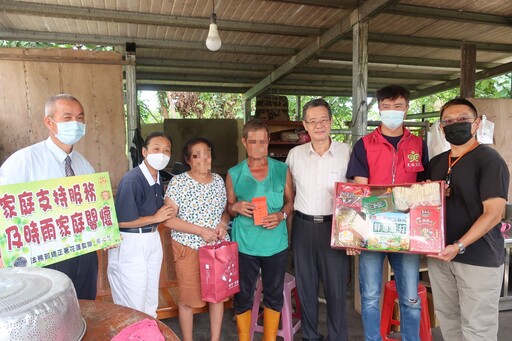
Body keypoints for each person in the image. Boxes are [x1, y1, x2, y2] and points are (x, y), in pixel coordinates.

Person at [346, 85, 429, 341]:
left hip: (406, 233)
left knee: (411, 298)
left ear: (407, 108)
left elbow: (423, 187)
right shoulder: (365, 144)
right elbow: (360, 190)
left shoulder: (418, 144)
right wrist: (354, 234)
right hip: (373, 232)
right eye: (386, 106)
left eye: (398, 106)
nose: (392, 111)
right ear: (379, 108)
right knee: (370, 296)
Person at [0, 94, 98, 299]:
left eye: (80, 118)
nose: (76, 123)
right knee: (50, 311)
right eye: (68, 118)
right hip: (44, 255)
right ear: (49, 122)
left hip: (84, 252)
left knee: (85, 306)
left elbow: (94, 208)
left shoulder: (84, 165)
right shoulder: (24, 161)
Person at [427, 98, 509, 341]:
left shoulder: (489, 160)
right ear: (441, 128)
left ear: (476, 124)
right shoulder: (437, 163)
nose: (455, 125)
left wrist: (459, 245)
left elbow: (494, 213)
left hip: (478, 258)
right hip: (441, 256)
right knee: (449, 321)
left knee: (477, 328)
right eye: (448, 121)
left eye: (463, 119)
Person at [286, 98, 351, 341]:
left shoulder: (347, 152)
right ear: (305, 125)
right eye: (312, 121)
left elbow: (357, 191)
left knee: (336, 289)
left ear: (331, 121)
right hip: (303, 227)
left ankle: (338, 337)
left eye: (323, 119)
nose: (318, 125)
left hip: (335, 227)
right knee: (306, 288)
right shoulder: (295, 155)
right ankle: (310, 336)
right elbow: (288, 195)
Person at [226, 119, 294, 341]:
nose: (258, 146)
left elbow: (290, 203)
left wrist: (281, 215)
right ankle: (245, 337)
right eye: (253, 141)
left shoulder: (281, 169)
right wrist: (235, 207)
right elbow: (229, 208)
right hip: (245, 243)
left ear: (268, 142)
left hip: (275, 244)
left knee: (273, 294)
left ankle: (270, 338)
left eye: (263, 142)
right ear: (244, 142)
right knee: (243, 294)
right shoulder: (234, 173)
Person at [164, 137, 231, 341]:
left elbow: (225, 212)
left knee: (217, 297)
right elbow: (169, 220)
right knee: (187, 300)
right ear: (188, 160)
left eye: (207, 153)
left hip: (217, 248)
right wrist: (200, 231)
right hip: (188, 247)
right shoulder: (179, 182)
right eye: (197, 155)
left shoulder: (219, 180)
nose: (204, 159)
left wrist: (222, 224)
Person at [107, 131, 175, 317]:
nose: (162, 154)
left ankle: (147, 333)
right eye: (156, 149)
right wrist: (156, 218)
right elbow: (121, 220)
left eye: (167, 150)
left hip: (151, 238)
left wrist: (165, 213)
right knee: (133, 302)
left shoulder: (158, 177)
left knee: (150, 299)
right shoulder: (132, 180)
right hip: (131, 242)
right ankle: (133, 334)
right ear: (144, 152)